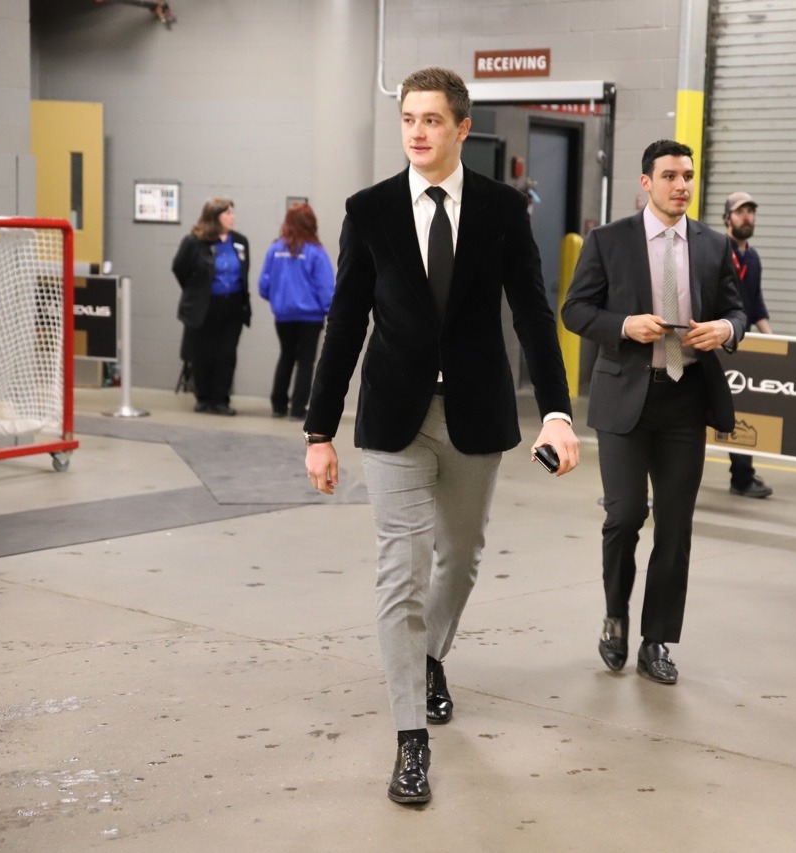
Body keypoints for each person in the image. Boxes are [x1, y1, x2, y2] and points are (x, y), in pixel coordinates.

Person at [303, 67, 580, 806]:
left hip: (475, 417)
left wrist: (556, 409)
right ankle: (410, 740)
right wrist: (318, 429)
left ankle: (430, 656)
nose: (418, 132)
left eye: (432, 119)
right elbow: (345, 322)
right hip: (393, 418)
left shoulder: (500, 210)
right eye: (408, 120)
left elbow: (530, 311)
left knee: (459, 558)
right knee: (402, 568)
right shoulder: (369, 211)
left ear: (462, 128)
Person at [562, 139, 745, 687]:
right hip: (625, 399)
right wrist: (623, 326)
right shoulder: (607, 241)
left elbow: (735, 306)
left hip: (685, 400)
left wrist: (727, 329)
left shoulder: (713, 246)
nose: (681, 185)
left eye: (687, 176)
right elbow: (575, 309)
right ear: (646, 182)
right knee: (623, 516)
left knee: (676, 526)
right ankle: (615, 615)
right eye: (669, 176)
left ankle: (656, 640)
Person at [171, 197, 251, 415]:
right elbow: (180, 268)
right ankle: (203, 398)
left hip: (233, 306)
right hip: (204, 307)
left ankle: (221, 400)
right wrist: (197, 289)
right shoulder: (195, 241)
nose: (232, 218)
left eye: (232, 213)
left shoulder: (240, 241)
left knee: (227, 354)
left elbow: (244, 273)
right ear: (214, 217)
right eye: (227, 214)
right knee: (203, 353)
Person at [257, 202, 335, 420]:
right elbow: (326, 287)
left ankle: (278, 406)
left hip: (283, 316)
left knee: (286, 356)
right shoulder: (315, 252)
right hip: (310, 318)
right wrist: (330, 311)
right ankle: (298, 409)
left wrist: (278, 301)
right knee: (305, 361)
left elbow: (264, 284)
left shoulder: (275, 249)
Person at [723, 191, 774, 499]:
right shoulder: (717, 251)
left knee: (743, 412)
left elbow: (756, 305)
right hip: (716, 343)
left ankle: (741, 478)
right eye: (740, 212)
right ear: (727, 217)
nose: (747, 217)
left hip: (743, 346)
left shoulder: (752, 258)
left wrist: (774, 341)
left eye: (751, 212)